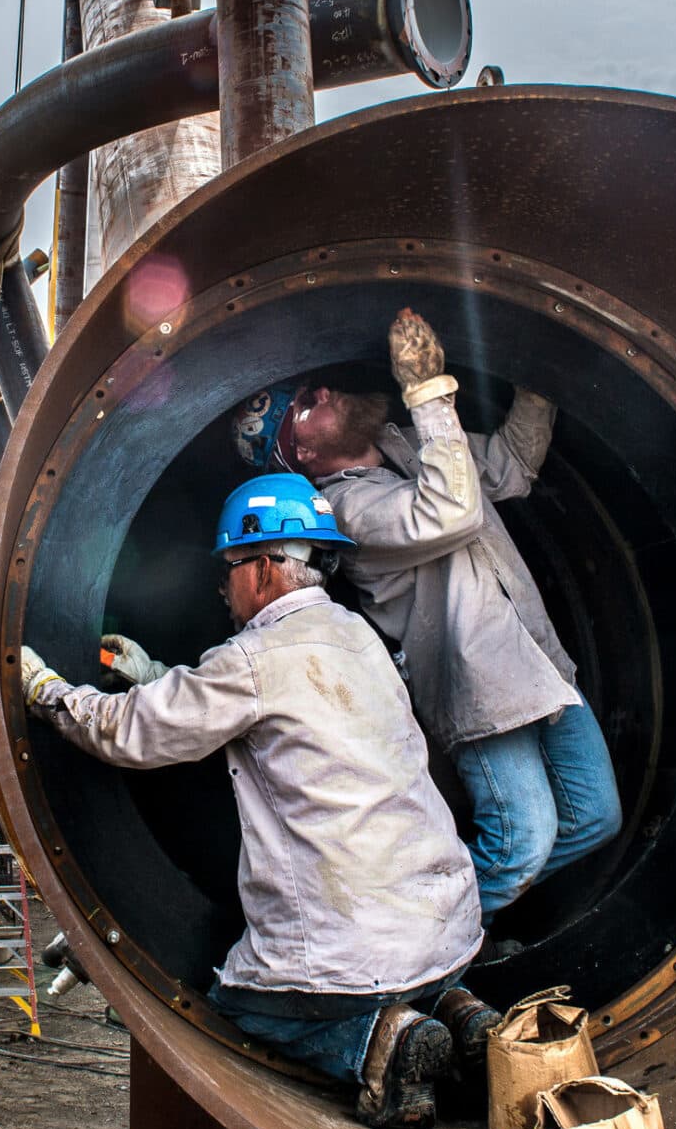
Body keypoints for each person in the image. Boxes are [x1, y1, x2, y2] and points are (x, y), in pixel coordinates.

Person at [20, 473, 498, 1129]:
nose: (224, 585)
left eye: (231, 567)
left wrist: (43, 689)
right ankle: (459, 1011)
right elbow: (278, 717)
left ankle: (384, 1047)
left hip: (347, 948)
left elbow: (127, 734)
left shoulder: (253, 655)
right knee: (409, 968)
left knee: (241, 1003)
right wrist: (157, 679)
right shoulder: (360, 638)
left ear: (268, 568)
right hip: (446, 924)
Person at [239, 309, 622, 928]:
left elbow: (510, 470)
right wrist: (426, 392)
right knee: (523, 841)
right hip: (480, 682)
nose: (324, 390)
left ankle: (451, 919)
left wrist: (539, 374)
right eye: (306, 402)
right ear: (302, 452)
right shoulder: (339, 510)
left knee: (594, 818)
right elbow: (451, 512)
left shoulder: (408, 445)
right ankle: (434, 949)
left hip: (538, 660)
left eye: (317, 387)